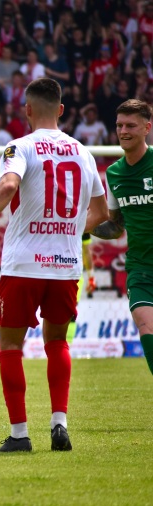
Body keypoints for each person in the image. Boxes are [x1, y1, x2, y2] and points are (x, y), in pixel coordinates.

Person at [0, 78, 108, 453]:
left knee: (10, 346)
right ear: (61, 109)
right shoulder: (83, 152)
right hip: (65, 264)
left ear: (27, 110)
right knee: (57, 342)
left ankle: (19, 435)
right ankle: (59, 422)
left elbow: (9, 186)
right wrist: (71, 230)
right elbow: (102, 213)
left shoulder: (19, 147)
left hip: (24, 263)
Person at [91, 99, 153, 376]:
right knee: (145, 324)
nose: (123, 131)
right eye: (119, 125)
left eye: (130, 125)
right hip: (141, 267)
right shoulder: (114, 174)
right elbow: (115, 227)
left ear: (146, 128)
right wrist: (77, 227)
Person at [67, 233, 96, 344]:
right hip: (71, 273)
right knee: (68, 313)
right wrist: (91, 277)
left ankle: (66, 346)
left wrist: (91, 277)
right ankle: (62, 347)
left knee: (67, 313)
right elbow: (86, 251)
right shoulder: (83, 222)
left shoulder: (84, 223)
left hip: (68, 273)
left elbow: (86, 251)